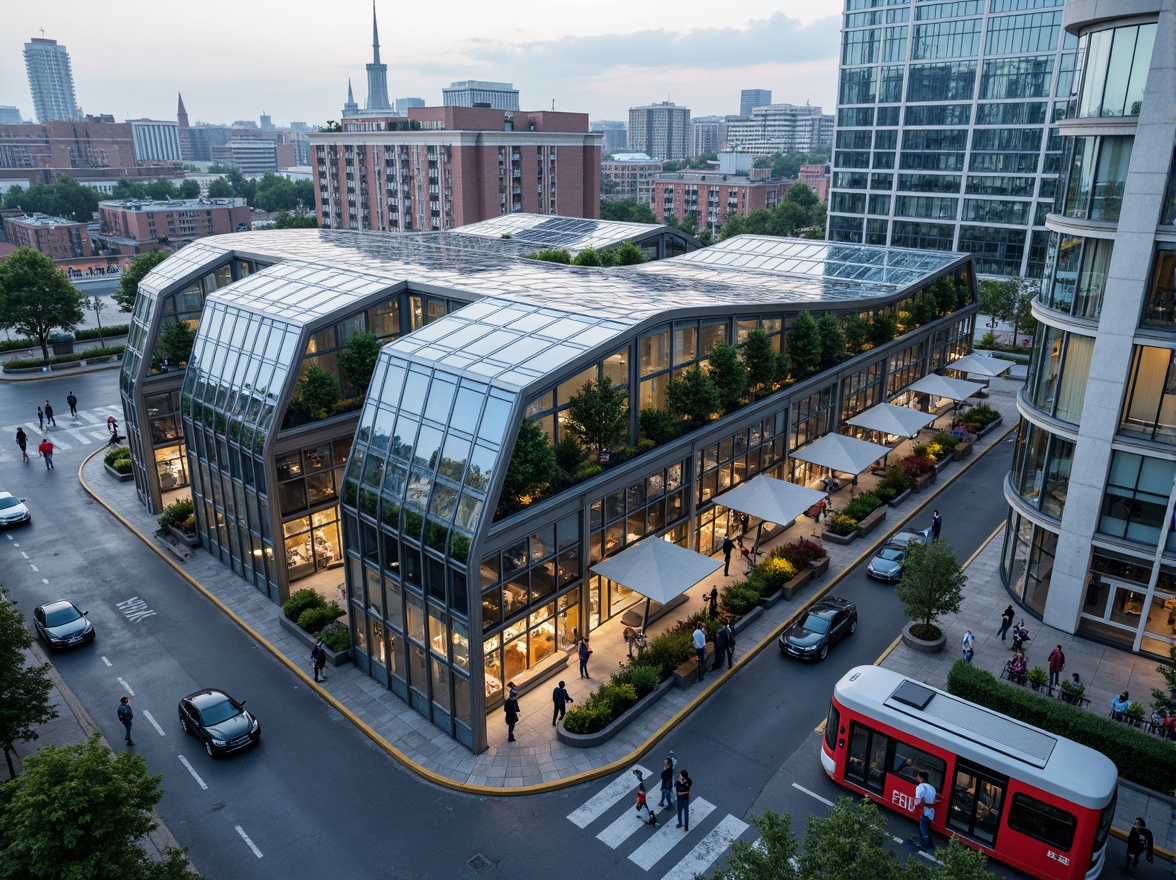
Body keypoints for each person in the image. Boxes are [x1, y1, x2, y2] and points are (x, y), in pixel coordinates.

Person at [912, 770, 937, 849]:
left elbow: (919, 800)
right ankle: (926, 842)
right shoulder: (932, 788)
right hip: (931, 812)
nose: (917, 778)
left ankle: (925, 845)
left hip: (924, 811)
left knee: (923, 830)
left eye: (918, 777)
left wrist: (916, 809)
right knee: (925, 827)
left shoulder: (920, 787)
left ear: (922, 779)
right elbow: (934, 801)